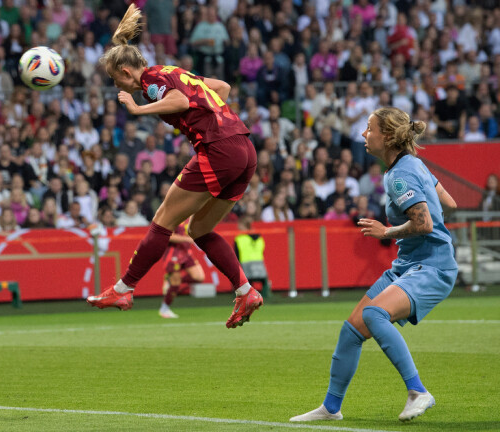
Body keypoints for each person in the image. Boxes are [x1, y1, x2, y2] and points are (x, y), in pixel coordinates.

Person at [86, 5, 263, 328]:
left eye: (116, 80)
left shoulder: (151, 81)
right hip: (244, 148)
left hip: (218, 148)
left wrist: (138, 109)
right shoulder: (172, 71)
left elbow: (181, 102)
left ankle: (123, 289)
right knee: (198, 229)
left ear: (126, 72)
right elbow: (221, 88)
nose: (118, 88)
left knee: (163, 219)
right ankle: (245, 290)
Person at [290, 108, 458, 423]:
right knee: (352, 329)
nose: (363, 134)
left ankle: (417, 391)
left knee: (374, 314)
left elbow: (423, 223)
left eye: (369, 128)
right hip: (410, 263)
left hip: (431, 267)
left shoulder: (399, 175)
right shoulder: (413, 165)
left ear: (389, 136)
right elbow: (449, 203)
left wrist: (387, 231)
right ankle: (331, 407)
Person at [157, 220, 205, 319]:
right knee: (175, 284)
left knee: (199, 277)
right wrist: (187, 239)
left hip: (186, 252)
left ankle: (170, 280)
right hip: (173, 253)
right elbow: (168, 236)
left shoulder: (190, 217)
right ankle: (164, 309)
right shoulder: (174, 217)